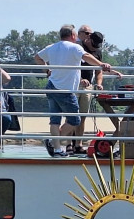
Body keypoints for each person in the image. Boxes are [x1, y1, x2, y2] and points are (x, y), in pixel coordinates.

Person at [34, 25, 112, 157]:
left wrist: (47, 69)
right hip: (65, 89)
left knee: (55, 120)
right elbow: (86, 57)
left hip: (51, 86)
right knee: (75, 120)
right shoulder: (75, 47)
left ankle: (57, 149)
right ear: (72, 35)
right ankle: (54, 143)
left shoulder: (52, 47)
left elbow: (37, 57)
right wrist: (101, 64)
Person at [74, 26, 123, 150]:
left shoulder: (98, 53)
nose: (94, 49)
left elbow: (99, 70)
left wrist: (99, 83)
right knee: (72, 115)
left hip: (88, 87)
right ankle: (70, 145)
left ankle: (78, 144)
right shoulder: (78, 48)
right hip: (74, 84)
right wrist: (80, 80)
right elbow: (71, 67)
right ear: (88, 38)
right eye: (93, 46)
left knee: (83, 116)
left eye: (97, 47)